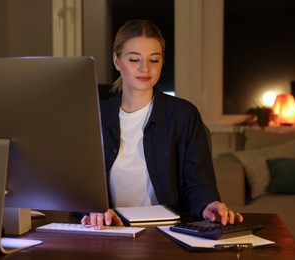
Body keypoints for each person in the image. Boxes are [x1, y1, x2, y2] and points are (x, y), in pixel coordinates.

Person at [82, 19, 243, 229]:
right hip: (109, 232)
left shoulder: (183, 115)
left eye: (154, 60)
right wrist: (92, 210)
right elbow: (79, 187)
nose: (145, 68)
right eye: (133, 59)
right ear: (117, 61)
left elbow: (199, 184)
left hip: (166, 233)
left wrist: (208, 205)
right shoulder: (96, 115)